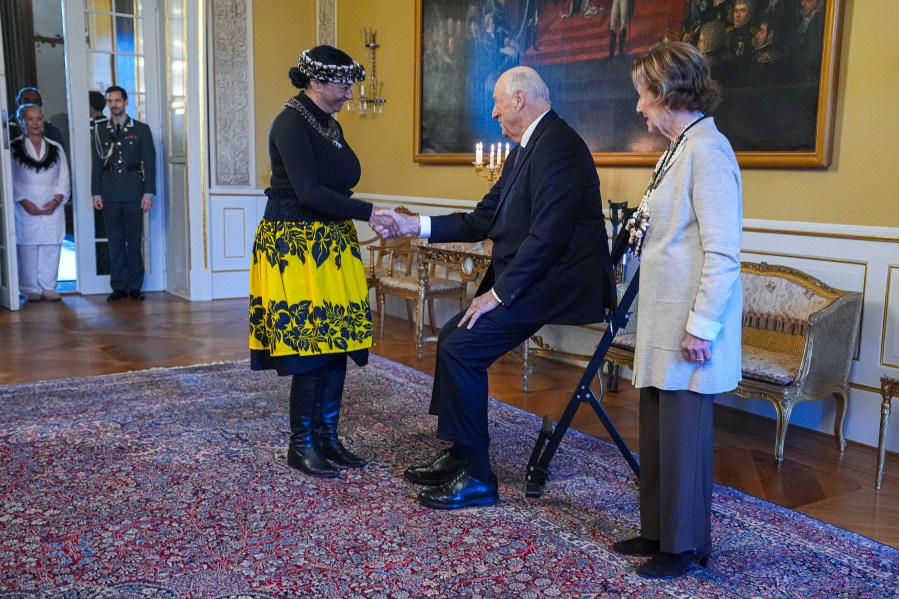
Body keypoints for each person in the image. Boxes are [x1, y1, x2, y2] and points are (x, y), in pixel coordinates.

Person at [375, 66, 615, 510]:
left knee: (464, 349)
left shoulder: (560, 146)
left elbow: (548, 238)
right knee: (453, 338)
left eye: (498, 104)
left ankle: (478, 478)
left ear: (520, 100)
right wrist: (414, 225)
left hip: (553, 282)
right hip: (534, 277)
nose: (494, 113)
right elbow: (481, 218)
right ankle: (461, 453)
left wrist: (497, 295)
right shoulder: (527, 148)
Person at [612, 42, 742, 579]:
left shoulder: (708, 151)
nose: (640, 108)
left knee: (684, 435)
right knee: (658, 428)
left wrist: (702, 326)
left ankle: (684, 544)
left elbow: (723, 251)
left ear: (667, 93)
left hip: (689, 326)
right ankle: (659, 529)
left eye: (644, 96)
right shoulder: (679, 148)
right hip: (664, 317)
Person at [248, 45, 398, 479]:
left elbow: (338, 183)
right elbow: (310, 192)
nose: (350, 92)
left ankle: (328, 437)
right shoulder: (290, 122)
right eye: (343, 83)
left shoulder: (328, 123)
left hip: (332, 241)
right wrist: (372, 212)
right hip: (296, 245)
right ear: (316, 82)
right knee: (311, 346)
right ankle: (302, 444)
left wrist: (363, 213)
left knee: (338, 342)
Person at [91, 85, 156, 302]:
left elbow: (150, 162)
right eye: (110, 101)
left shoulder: (140, 129)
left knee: (133, 240)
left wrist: (148, 193)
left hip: (133, 190)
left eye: (117, 101)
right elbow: (97, 164)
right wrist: (95, 192)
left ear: (126, 102)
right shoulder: (100, 129)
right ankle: (118, 285)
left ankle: (135, 286)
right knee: (115, 240)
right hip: (109, 191)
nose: (114, 105)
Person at [10, 104, 70, 303]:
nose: (35, 123)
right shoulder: (13, 148)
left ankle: (48, 286)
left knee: (51, 245)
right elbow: (10, 178)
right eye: (30, 119)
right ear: (22, 122)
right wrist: (25, 202)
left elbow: (64, 177)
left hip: (51, 204)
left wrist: (56, 200)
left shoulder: (56, 147)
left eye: (38, 118)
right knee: (27, 247)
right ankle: (29, 288)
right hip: (26, 205)